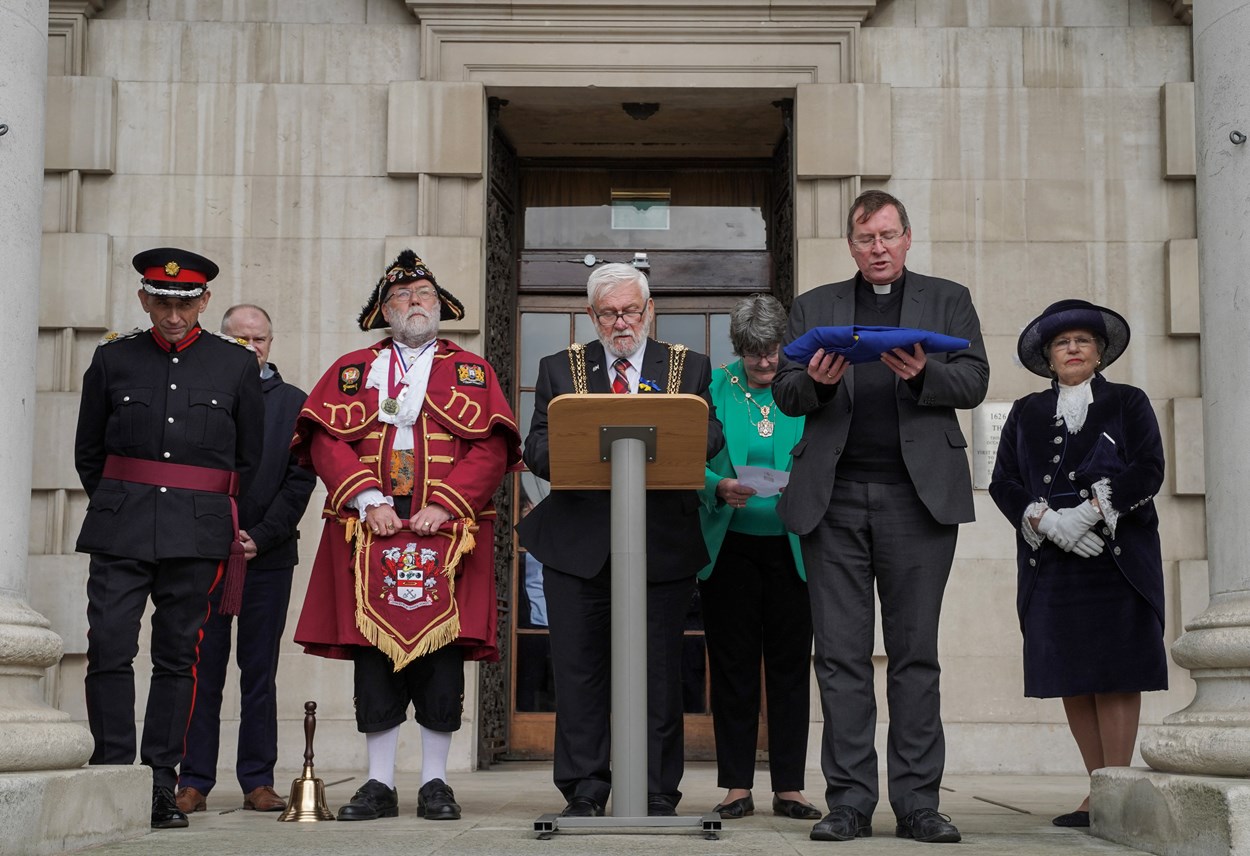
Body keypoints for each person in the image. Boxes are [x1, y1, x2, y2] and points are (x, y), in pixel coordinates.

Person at [772, 190, 989, 844]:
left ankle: (919, 804)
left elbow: (975, 380)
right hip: (832, 499)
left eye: (888, 236)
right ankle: (850, 804)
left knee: (914, 656)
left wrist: (925, 374)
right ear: (851, 244)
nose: (878, 249)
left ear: (908, 238)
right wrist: (821, 382)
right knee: (839, 659)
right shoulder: (814, 307)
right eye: (866, 238)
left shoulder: (947, 298)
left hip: (918, 503)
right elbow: (786, 392)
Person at [292, 250, 520, 822]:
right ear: (383, 312)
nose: (414, 304)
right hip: (370, 532)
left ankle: (437, 783)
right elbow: (324, 441)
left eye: (423, 295)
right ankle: (378, 783)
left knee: (441, 658)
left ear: (440, 307)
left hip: (447, 534)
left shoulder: (472, 371)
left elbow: (491, 448)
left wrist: (444, 506)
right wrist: (368, 499)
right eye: (401, 298)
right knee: (375, 657)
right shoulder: (351, 370)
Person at [515, 262, 724, 819]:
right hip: (577, 546)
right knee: (579, 673)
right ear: (591, 316)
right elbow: (535, 447)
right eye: (608, 313)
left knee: (658, 673)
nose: (621, 322)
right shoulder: (562, 368)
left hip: (660, 544)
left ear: (649, 309)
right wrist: (587, 444)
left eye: (631, 310)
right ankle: (586, 788)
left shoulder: (688, 366)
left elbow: (709, 435)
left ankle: (656, 790)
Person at [74, 248, 264, 829]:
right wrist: (123, 501)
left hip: (198, 532)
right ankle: (113, 771)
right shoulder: (112, 359)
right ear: (143, 299)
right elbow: (89, 454)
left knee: (178, 659)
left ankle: (161, 781)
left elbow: (248, 460)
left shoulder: (234, 366)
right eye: (161, 300)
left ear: (204, 301)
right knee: (109, 646)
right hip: (122, 527)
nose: (173, 313)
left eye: (184, 302)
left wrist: (217, 518)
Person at [989, 299, 1167, 828]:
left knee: (1116, 672)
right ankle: (1096, 789)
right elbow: (1004, 482)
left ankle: (1119, 790)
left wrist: (1089, 513)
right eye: (1062, 343)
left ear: (1099, 352)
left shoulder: (1129, 402)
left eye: (1082, 341)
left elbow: (1150, 468)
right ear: (1048, 356)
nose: (1072, 348)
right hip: (1054, 564)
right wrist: (1048, 523)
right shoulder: (1025, 412)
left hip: (1116, 561)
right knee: (1072, 675)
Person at [175, 305, 317, 815]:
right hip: (204, 558)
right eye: (240, 339)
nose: (251, 347)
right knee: (201, 670)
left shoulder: (296, 404)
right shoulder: (197, 394)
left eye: (259, 339)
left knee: (259, 672)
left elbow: (301, 480)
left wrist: (262, 535)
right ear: (220, 340)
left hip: (269, 558)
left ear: (271, 344)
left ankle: (257, 780)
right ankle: (193, 780)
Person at [696, 294, 819, 822]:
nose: (765, 363)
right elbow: (685, 454)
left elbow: (828, 449)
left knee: (791, 668)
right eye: (754, 354)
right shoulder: (715, 385)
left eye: (772, 351)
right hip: (730, 547)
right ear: (738, 350)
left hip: (795, 544)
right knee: (733, 667)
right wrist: (716, 485)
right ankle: (735, 786)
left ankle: (790, 786)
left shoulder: (807, 382)